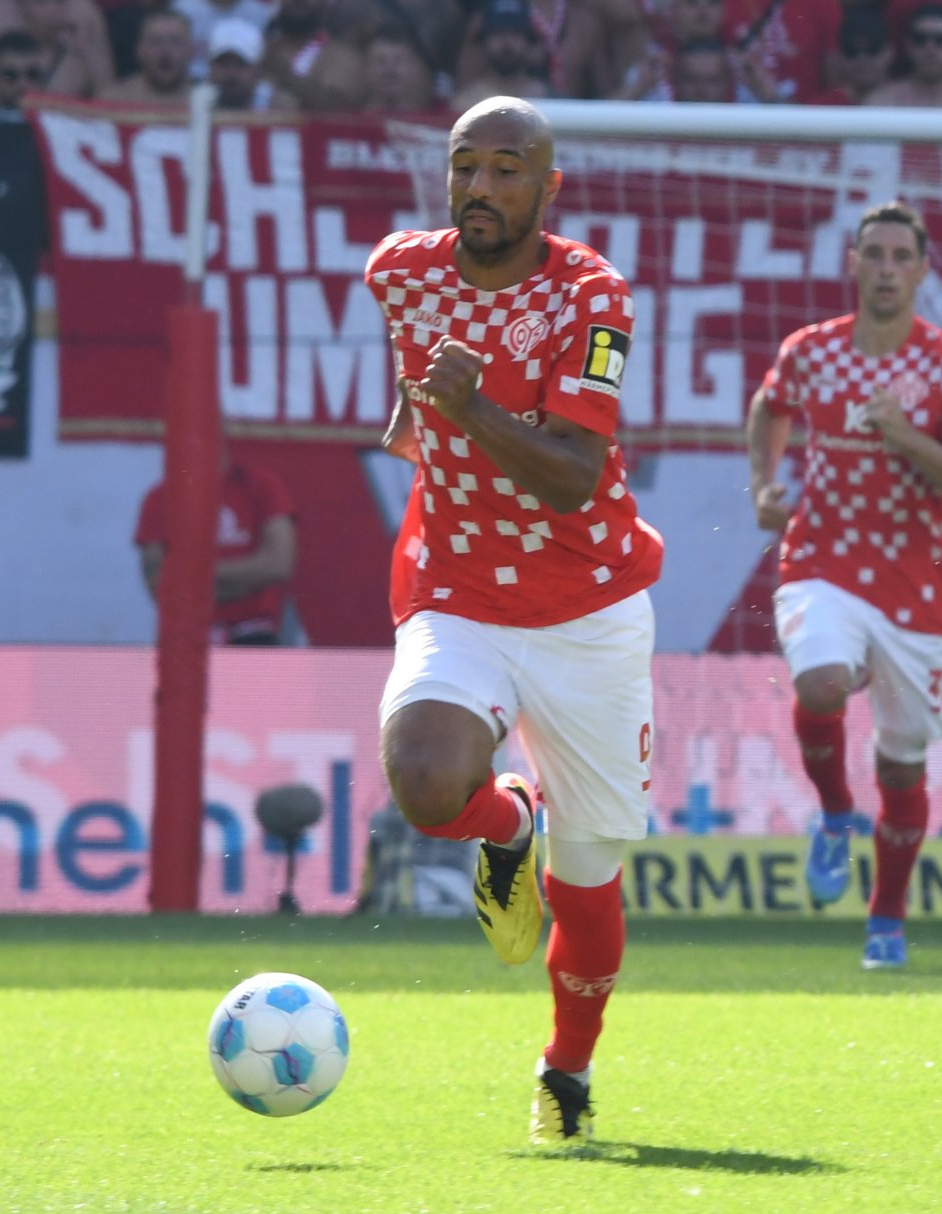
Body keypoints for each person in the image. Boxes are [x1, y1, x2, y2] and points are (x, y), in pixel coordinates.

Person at [365, 97, 662, 1144]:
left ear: (548, 187)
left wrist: (473, 411)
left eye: (505, 168)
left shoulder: (592, 295)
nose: (481, 187)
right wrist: (424, 425)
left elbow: (578, 476)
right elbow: (409, 409)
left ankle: (567, 1071)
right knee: (426, 779)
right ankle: (505, 824)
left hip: (590, 609)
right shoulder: (400, 270)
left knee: (590, 878)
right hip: (457, 588)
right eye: (465, 166)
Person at [745, 202, 942, 970]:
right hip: (821, 559)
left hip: (915, 589)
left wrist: (904, 435)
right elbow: (769, 408)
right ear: (852, 265)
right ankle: (833, 815)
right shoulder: (811, 351)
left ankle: (886, 916)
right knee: (820, 682)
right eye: (874, 254)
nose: (886, 268)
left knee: (901, 765)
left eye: (900, 256)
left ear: (922, 271)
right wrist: (764, 482)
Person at [134, 450, 297, 645]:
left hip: (253, 635)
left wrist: (192, 577)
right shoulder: (160, 497)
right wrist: (242, 583)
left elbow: (278, 564)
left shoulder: (260, 485)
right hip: (185, 637)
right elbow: (158, 583)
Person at [450, 0, 547, 109]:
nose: (506, 42)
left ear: (529, 40)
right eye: (497, 33)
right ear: (483, 41)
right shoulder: (466, 103)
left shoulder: (550, 99)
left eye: (515, 33)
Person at [104, 7, 194, 103]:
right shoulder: (112, 101)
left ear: (191, 50)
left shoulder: (208, 102)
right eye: (155, 41)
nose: (165, 52)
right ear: (139, 49)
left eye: (175, 42)